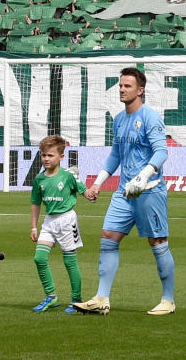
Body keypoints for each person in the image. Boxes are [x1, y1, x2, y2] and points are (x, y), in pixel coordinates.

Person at [74, 67, 174, 316]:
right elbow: (115, 156)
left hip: (149, 190)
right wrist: (98, 182)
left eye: (127, 86)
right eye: (120, 85)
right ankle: (101, 298)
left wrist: (144, 175)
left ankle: (168, 300)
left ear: (140, 90)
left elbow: (162, 151)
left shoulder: (151, 117)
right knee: (108, 235)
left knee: (157, 241)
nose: (122, 89)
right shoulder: (119, 119)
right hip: (123, 192)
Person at [29, 134, 85, 313]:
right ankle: (51, 297)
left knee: (70, 262)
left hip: (67, 220)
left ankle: (76, 300)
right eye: (43, 155)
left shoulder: (68, 176)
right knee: (39, 258)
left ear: (61, 157)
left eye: (50, 155)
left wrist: (91, 195)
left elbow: (84, 191)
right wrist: (33, 226)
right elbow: (36, 203)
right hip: (49, 221)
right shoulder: (39, 179)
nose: (46, 158)